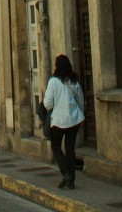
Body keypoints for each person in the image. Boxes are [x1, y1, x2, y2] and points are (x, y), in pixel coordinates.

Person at [42, 53, 85, 190]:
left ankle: (66, 172)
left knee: (56, 146)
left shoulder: (53, 81)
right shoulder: (74, 80)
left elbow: (47, 103)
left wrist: (53, 108)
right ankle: (71, 180)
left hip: (59, 121)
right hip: (74, 118)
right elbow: (80, 99)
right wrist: (81, 115)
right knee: (70, 149)